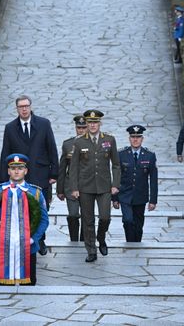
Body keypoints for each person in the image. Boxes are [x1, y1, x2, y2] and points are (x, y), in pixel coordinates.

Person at [0, 95, 58, 255]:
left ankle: (40, 239)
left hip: (41, 173)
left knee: (41, 208)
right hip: (19, 176)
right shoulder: (10, 127)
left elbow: (52, 147)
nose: (24, 109)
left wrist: (55, 172)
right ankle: (24, 238)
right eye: (21, 106)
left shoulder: (44, 124)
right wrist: (3, 179)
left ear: (30, 107)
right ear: (17, 108)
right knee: (22, 208)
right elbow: (5, 152)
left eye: (26, 106)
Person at [0, 153, 49, 285]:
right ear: (8, 171)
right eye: (13, 168)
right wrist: (4, 202)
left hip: (28, 244)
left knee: (29, 283)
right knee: (3, 284)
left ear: (26, 171)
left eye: (20, 168)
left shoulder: (35, 192)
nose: (16, 171)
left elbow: (44, 220)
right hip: (4, 244)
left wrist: (33, 238)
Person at [69, 110, 120, 263]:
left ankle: (101, 237)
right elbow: (74, 167)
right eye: (89, 122)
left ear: (100, 123)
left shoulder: (109, 140)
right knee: (87, 220)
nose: (92, 125)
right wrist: (74, 188)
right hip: (85, 186)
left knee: (105, 217)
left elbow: (116, 164)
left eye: (95, 122)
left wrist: (115, 184)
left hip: (104, 186)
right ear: (86, 123)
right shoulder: (79, 142)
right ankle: (91, 250)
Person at [114, 125, 158, 242]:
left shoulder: (149, 155)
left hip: (140, 196)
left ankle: (136, 244)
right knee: (127, 220)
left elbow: (153, 179)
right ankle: (129, 242)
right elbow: (116, 176)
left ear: (142, 139)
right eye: (133, 137)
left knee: (138, 225)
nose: (135, 139)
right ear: (129, 138)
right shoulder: (121, 154)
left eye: (138, 137)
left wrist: (153, 200)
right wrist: (114, 198)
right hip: (125, 195)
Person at [56, 115, 88, 241]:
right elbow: (62, 168)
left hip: (87, 185)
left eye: (83, 127)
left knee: (86, 215)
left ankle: (84, 240)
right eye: (79, 128)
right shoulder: (68, 144)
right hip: (71, 185)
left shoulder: (94, 144)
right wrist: (60, 190)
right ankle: (74, 239)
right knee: (73, 214)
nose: (81, 130)